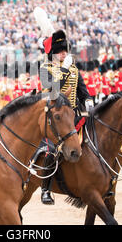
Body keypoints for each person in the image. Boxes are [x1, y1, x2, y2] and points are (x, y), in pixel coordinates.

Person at [39, 30, 93, 205]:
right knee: (52, 151)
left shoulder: (73, 68)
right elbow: (53, 90)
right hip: (55, 117)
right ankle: (45, 189)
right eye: (61, 51)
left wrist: (88, 100)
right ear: (53, 53)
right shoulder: (45, 69)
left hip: (74, 114)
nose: (64, 53)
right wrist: (63, 70)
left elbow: (81, 88)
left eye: (65, 50)